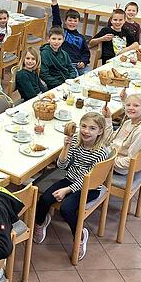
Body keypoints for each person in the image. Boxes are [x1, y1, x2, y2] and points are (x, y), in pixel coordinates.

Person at [33, 112, 112, 262]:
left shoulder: (101, 152)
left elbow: (89, 179)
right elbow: (62, 165)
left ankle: (80, 235)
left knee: (66, 208)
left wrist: (67, 190)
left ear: (100, 131)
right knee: (45, 199)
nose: (86, 131)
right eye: (83, 126)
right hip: (70, 178)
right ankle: (40, 222)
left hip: (91, 187)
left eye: (92, 128)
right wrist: (66, 146)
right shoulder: (76, 141)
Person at [104, 94, 141, 176]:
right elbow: (109, 139)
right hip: (111, 154)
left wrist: (106, 160)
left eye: (136, 105)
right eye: (128, 105)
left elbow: (131, 161)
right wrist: (108, 118)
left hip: (118, 167)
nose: (130, 108)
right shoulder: (128, 122)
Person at [50, 0, 90, 75]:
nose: (72, 23)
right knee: (75, 77)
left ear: (78, 22)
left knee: (90, 75)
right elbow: (56, 17)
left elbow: (86, 53)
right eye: (70, 20)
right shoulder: (61, 32)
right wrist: (54, 2)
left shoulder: (81, 37)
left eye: (75, 21)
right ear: (65, 21)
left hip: (79, 64)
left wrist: (84, 61)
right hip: (66, 64)